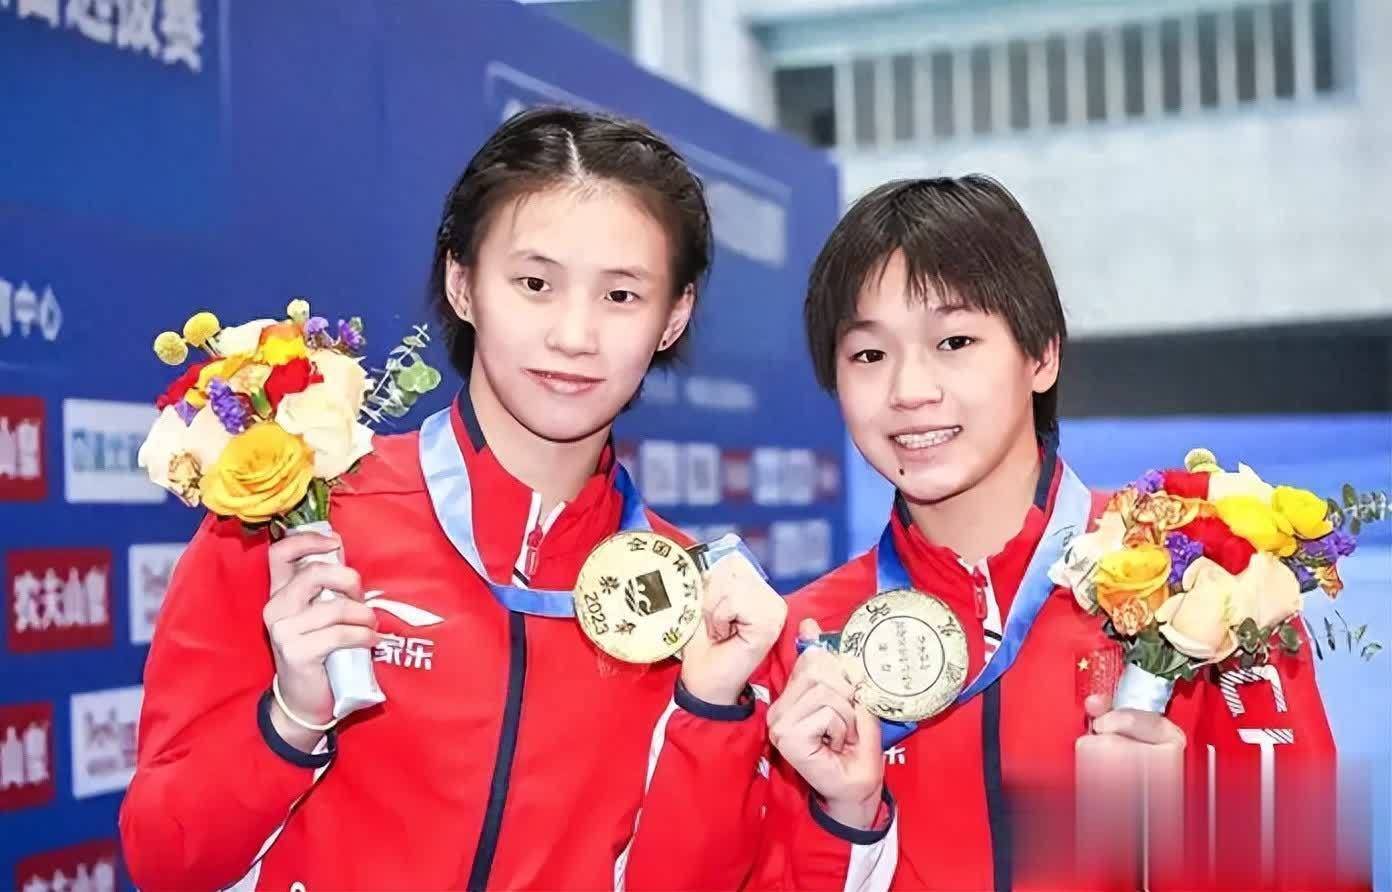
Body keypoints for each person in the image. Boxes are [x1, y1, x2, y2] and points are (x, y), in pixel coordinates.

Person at [119, 106, 787, 891]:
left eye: (621, 296)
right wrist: (290, 718)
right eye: (535, 284)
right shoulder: (303, 519)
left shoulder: (689, 604)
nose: (575, 335)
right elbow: (165, 859)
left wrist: (712, 711)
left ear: (674, 316)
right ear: (462, 283)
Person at [754, 176, 1338, 890]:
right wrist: (845, 822)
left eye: (954, 341)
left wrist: (1169, 850)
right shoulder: (808, 644)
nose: (909, 391)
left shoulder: (1205, 579)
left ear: (1042, 356)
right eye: (869, 355)